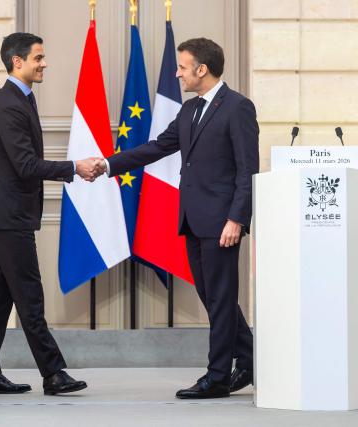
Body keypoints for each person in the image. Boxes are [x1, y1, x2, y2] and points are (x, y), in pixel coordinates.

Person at [101, 38, 259, 399]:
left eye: (183, 67)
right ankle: (250, 358)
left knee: (220, 298)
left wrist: (237, 218)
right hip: (191, 218)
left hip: (222, 223)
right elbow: (157, 147)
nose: (178, 73)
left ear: (202, 69)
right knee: (213, 296)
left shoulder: (237, 108)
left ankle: (217, 377)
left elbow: (247, 169)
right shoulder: (188, 111)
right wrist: (109, 164)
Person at [0, 32, 100, 396]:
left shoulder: (20, 99)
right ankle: (53, 373)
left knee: (0, 298)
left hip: (8, 214)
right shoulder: (7, 104)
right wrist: (73, 167)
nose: (44, 63)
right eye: (38, 57)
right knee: (29, 296)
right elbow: (24, 164)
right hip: (9, 215)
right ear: (17, 61)